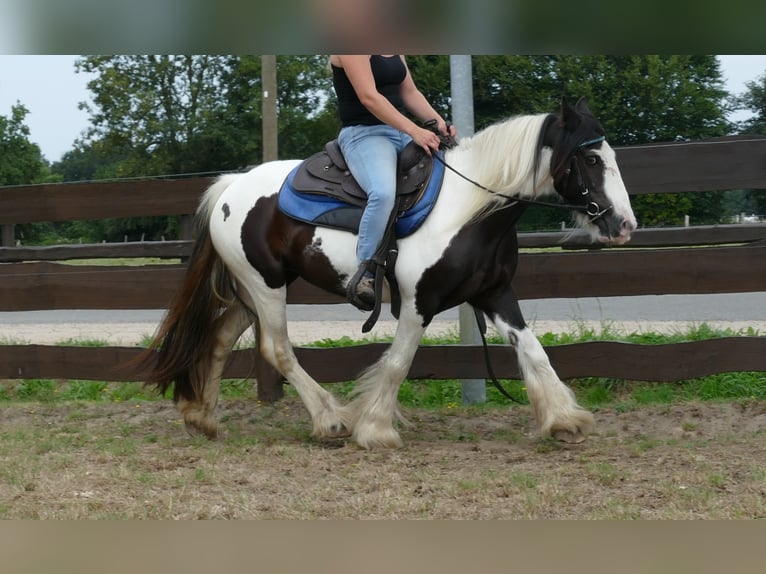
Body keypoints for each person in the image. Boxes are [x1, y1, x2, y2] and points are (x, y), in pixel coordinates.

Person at [329, 54, 457, 308]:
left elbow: (409, 92)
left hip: (400, 131)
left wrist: (439, 124)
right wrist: (415, 130)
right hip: (363, 133)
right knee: (383, 193)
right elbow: (369, 97)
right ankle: (364, 273)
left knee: (450, 177)